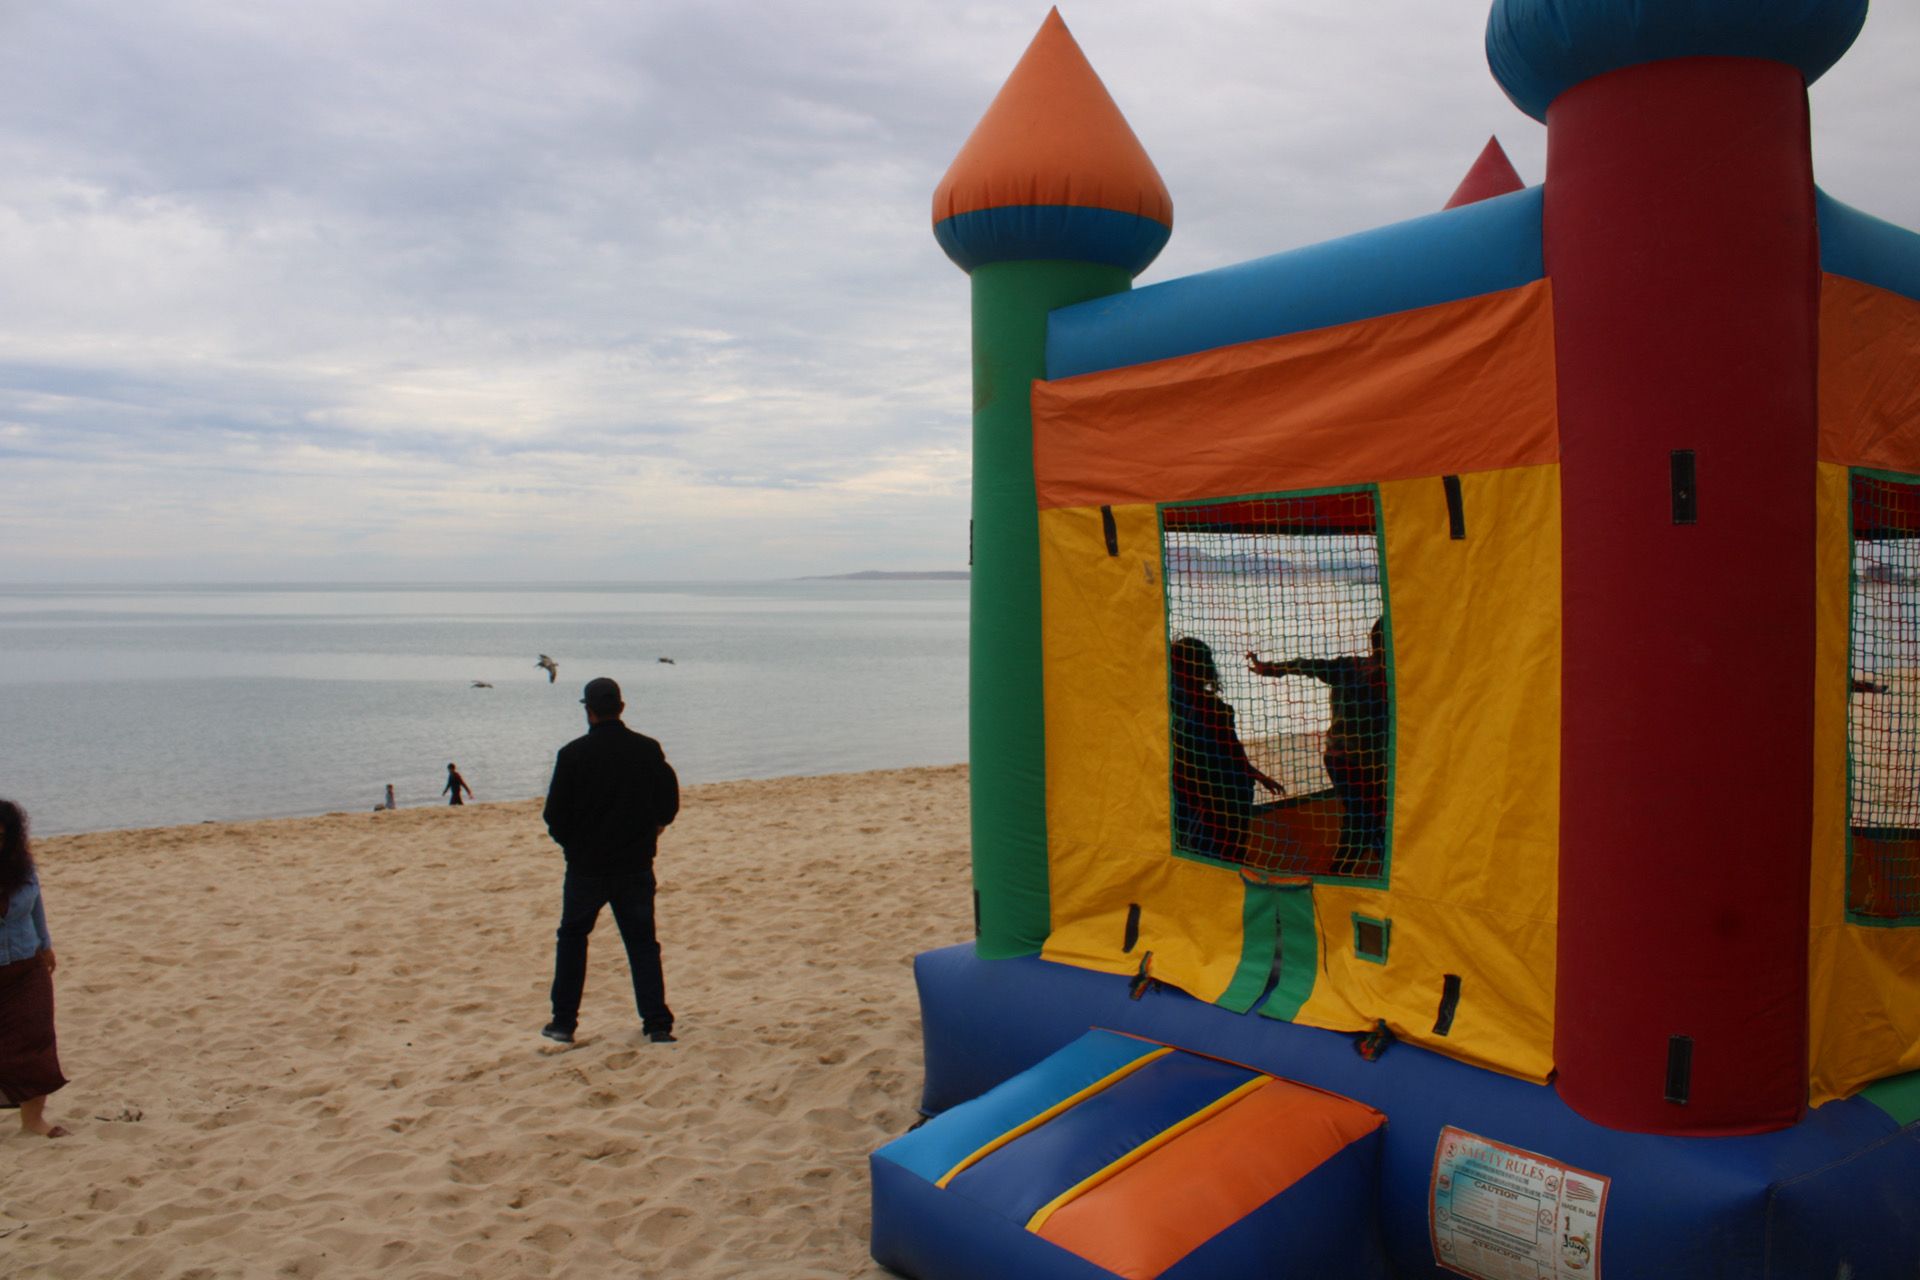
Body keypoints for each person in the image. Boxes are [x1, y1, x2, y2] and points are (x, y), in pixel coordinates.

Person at [541, 677, 680, 1045]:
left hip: (587, 867)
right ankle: (656, 1024)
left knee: (573, 938)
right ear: (621, 707)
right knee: (642, 944)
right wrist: (655, 829)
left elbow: (554, 815)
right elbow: (669, 801)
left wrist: (572, 847)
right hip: (634, 863)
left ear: (589, 711)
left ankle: (564, 1022)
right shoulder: (646, 749)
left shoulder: (572, 755)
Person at [1247, 618, 1390, 873]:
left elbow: (1306, 665)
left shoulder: (1349, 666)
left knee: (1364, 817)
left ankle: (1348, 869)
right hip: (1364, 764)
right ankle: (1341, 871)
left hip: (1336, 757)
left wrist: (1272, 669)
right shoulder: (1389, 679)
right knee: (1368, 818)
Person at [1170, 637, 1283, 864]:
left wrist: (1255, 774)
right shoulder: (1204, 708)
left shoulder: (1182, 709)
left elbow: (1231, 748)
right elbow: (1232, 749)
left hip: (1212, 794)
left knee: (1213, 851)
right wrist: (1255, 774)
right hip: (1215, 794)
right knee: (1222, 850)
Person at [0, 800, 68, 1138]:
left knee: (36, 1040)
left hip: (28, 965)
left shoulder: (22, 867)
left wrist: (46, 943)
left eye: (1, 836)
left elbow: (35, 904)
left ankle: (33, 1123)